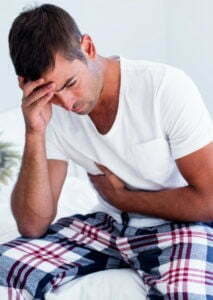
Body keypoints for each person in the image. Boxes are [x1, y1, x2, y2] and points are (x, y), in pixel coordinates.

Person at [0, 3, 212, 299]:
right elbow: (33, 225)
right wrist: (34, 132)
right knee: (4, 268)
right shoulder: (51, 112)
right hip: (108, 225)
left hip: (179, 227)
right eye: (51, 92)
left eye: (71, 83)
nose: (67, 103)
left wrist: (124, 198)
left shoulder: (163, 88)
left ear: (87, 46)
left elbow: (209, 201)